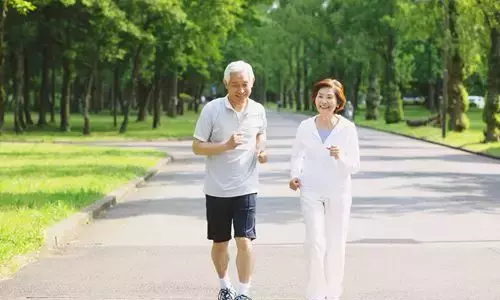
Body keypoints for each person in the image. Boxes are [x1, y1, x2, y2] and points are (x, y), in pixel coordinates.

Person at [192, 60, 268, 300]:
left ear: (252, 83)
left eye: (244, 84)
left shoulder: (258, 110)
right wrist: (225, 145)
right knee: (220, 243)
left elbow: (260, 134)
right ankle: (225, 286)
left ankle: (244, 292)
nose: (240, 90)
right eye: (234, 85)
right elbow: (197, 146)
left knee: (245, 240)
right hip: (217, 188)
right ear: (226, 84)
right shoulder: (212, 110)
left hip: (246, 187)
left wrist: (261, 150)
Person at [289, 78, 360, 300]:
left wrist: (340, 157)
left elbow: (354, 166)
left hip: (338, 192)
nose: (324, 101)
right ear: (315, 100)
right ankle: (316, 294)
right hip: (310, 190)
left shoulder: (347, 128)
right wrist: (294, 176)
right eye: (320, 96)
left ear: (338, 101)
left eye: (330, 97)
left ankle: (333, 292)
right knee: (314, 242)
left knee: (336, 244)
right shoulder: (305, 127)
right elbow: (297, 157)